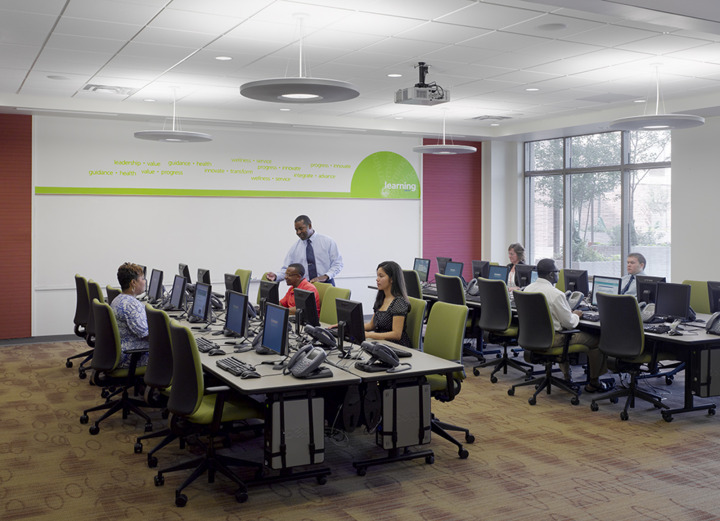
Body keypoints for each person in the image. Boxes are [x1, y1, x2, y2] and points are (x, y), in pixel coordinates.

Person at [523, 258, 609, 393]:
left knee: (566, 333)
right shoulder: (556, 294)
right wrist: (576, 314)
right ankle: (594, 382)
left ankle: (567, 376)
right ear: (551, 274)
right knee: (597, 340)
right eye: (556, 271)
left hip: (532, 337)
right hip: (554, 339)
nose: (558, 274)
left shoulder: (527, 289)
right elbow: (569, 324)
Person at [266, 215, 343, 286]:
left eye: (301, 229)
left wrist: (325, 276)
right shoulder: (295, 248)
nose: (298, 232)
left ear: (309, 226)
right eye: (296, 230)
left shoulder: (327, 242)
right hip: (305, 286)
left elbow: (338, 264)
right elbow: (286, 270)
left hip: (326, 284)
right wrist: (276, 276)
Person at [109, 262, 150, 369]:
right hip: (131, 356)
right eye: (142, 279)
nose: (145, 282)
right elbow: (146, 335)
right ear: (133, 283)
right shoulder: (132, 305)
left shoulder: (118, 299)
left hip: (117, 352)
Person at [364, 261, 412, 348]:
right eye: (377, 276)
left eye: (381, 276)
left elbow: (396, 334)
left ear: (392, 279)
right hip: (381, 344)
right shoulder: (381, 298)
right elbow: (371, 325)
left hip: (396, 346)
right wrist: (350, 326)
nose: (377, 279)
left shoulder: (399, 302)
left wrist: (369, 335)